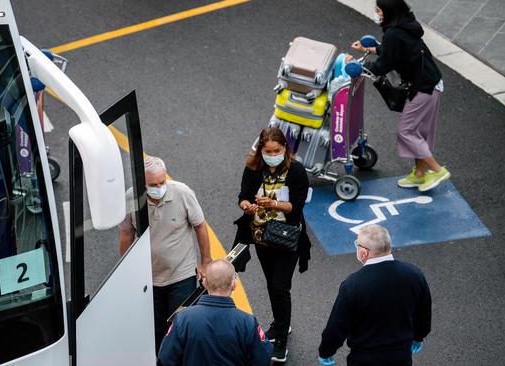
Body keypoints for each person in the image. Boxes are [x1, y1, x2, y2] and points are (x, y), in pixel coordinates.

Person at [348, 0, 450, 192]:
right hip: (429, 82)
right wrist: (370, 50)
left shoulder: (393, 33)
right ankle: (420, 174)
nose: (377, 13)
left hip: (424, 86)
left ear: (389, 11)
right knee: (418, 131)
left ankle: (437, 170)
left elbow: (383, 65)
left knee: (407, 131)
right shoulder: (404, 26)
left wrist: (358, 66)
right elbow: (395, 52)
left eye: (379, 10)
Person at [118, 156, 212, 353]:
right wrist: (124, 272)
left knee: (178, 326)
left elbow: (200, 227)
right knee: (155, 328)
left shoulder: (182, 193)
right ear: (141, 184)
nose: (159, 187)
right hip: (149, 278)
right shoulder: (130, 198)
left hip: (181, 275)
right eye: (153, 184)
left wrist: (205, 263)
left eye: (162, 182)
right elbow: (126, 234)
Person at [233, 127, 310, 363]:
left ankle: (281, 342)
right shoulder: (253, 168)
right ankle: (279, 324)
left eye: (277, 150)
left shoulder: (296, 170)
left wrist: (273, 204)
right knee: (271, 283)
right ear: (261, 151)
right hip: (261, 237)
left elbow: (296, 206)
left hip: (287, 237)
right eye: (268, 151)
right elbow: (243, 196)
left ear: (285, 149)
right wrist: (247, 206)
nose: (273, 154)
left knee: (280, 286)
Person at [317, 224, 431, 366]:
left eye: (357, 244)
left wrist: (326, 352)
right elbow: (423, 312)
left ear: (364, 253)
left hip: (364, 358)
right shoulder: (414, 274)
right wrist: (419, 336)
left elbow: (337, 326)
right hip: (401, 356)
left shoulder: (353, 285)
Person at [157, 259, 272, 366]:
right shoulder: (248, 322)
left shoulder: (183, 319)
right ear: (234, 285)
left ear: (205, 284)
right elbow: (263, 358)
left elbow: (166, 358)